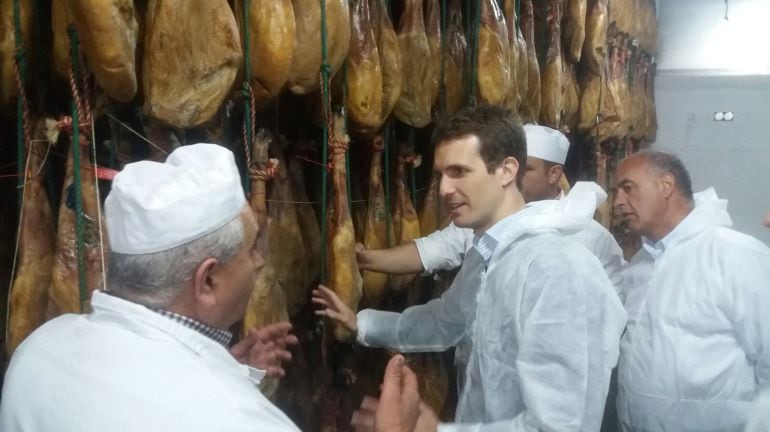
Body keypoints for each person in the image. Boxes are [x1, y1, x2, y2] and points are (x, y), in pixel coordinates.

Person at [315, 105, 628, 431]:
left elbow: (561, 425)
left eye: (459, 172)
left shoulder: (556, 269)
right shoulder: (488, 253)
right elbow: (445, 321)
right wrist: (361, 324)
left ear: (507, 170)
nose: (443, 190)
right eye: (440, 175)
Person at [0, 144, 300, 431]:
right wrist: (221, 387)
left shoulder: (37, 349)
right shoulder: (245, 422)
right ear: (208, 281)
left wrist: (224, 372)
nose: (259, 261)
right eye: (250, 250)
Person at [356, 124, 626, 293]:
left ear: (554, 174)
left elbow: (616, 307)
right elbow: (431, 251)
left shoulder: (590, 238)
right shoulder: (487, 219)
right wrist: (364, 259)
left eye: (527, 169)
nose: (514, 176)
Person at [612, 151, 770, 432]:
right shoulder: (640, 264)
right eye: (616, 193)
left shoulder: (735, 254)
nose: (618, 203)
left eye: (627, 188)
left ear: (666, 185)